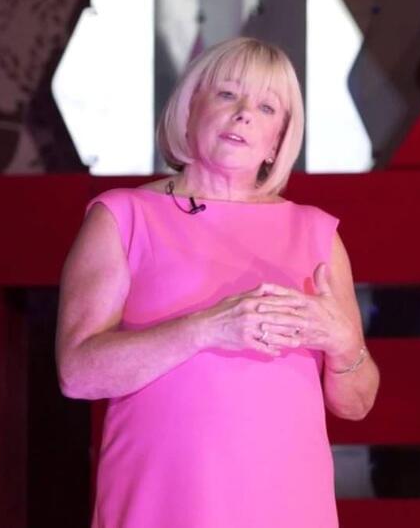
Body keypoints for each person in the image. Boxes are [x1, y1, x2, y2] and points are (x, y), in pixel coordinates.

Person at [55, 37, 380, 527]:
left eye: (266, 107)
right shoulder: (123, 217)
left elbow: (356, 404)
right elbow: (77, 374)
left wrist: (342, 342)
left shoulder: (316, 234)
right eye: (228, 94)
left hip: (286, 505)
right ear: (189, 110)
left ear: (278, 141)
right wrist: (208, 329)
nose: (244, 114)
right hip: (163, 504)